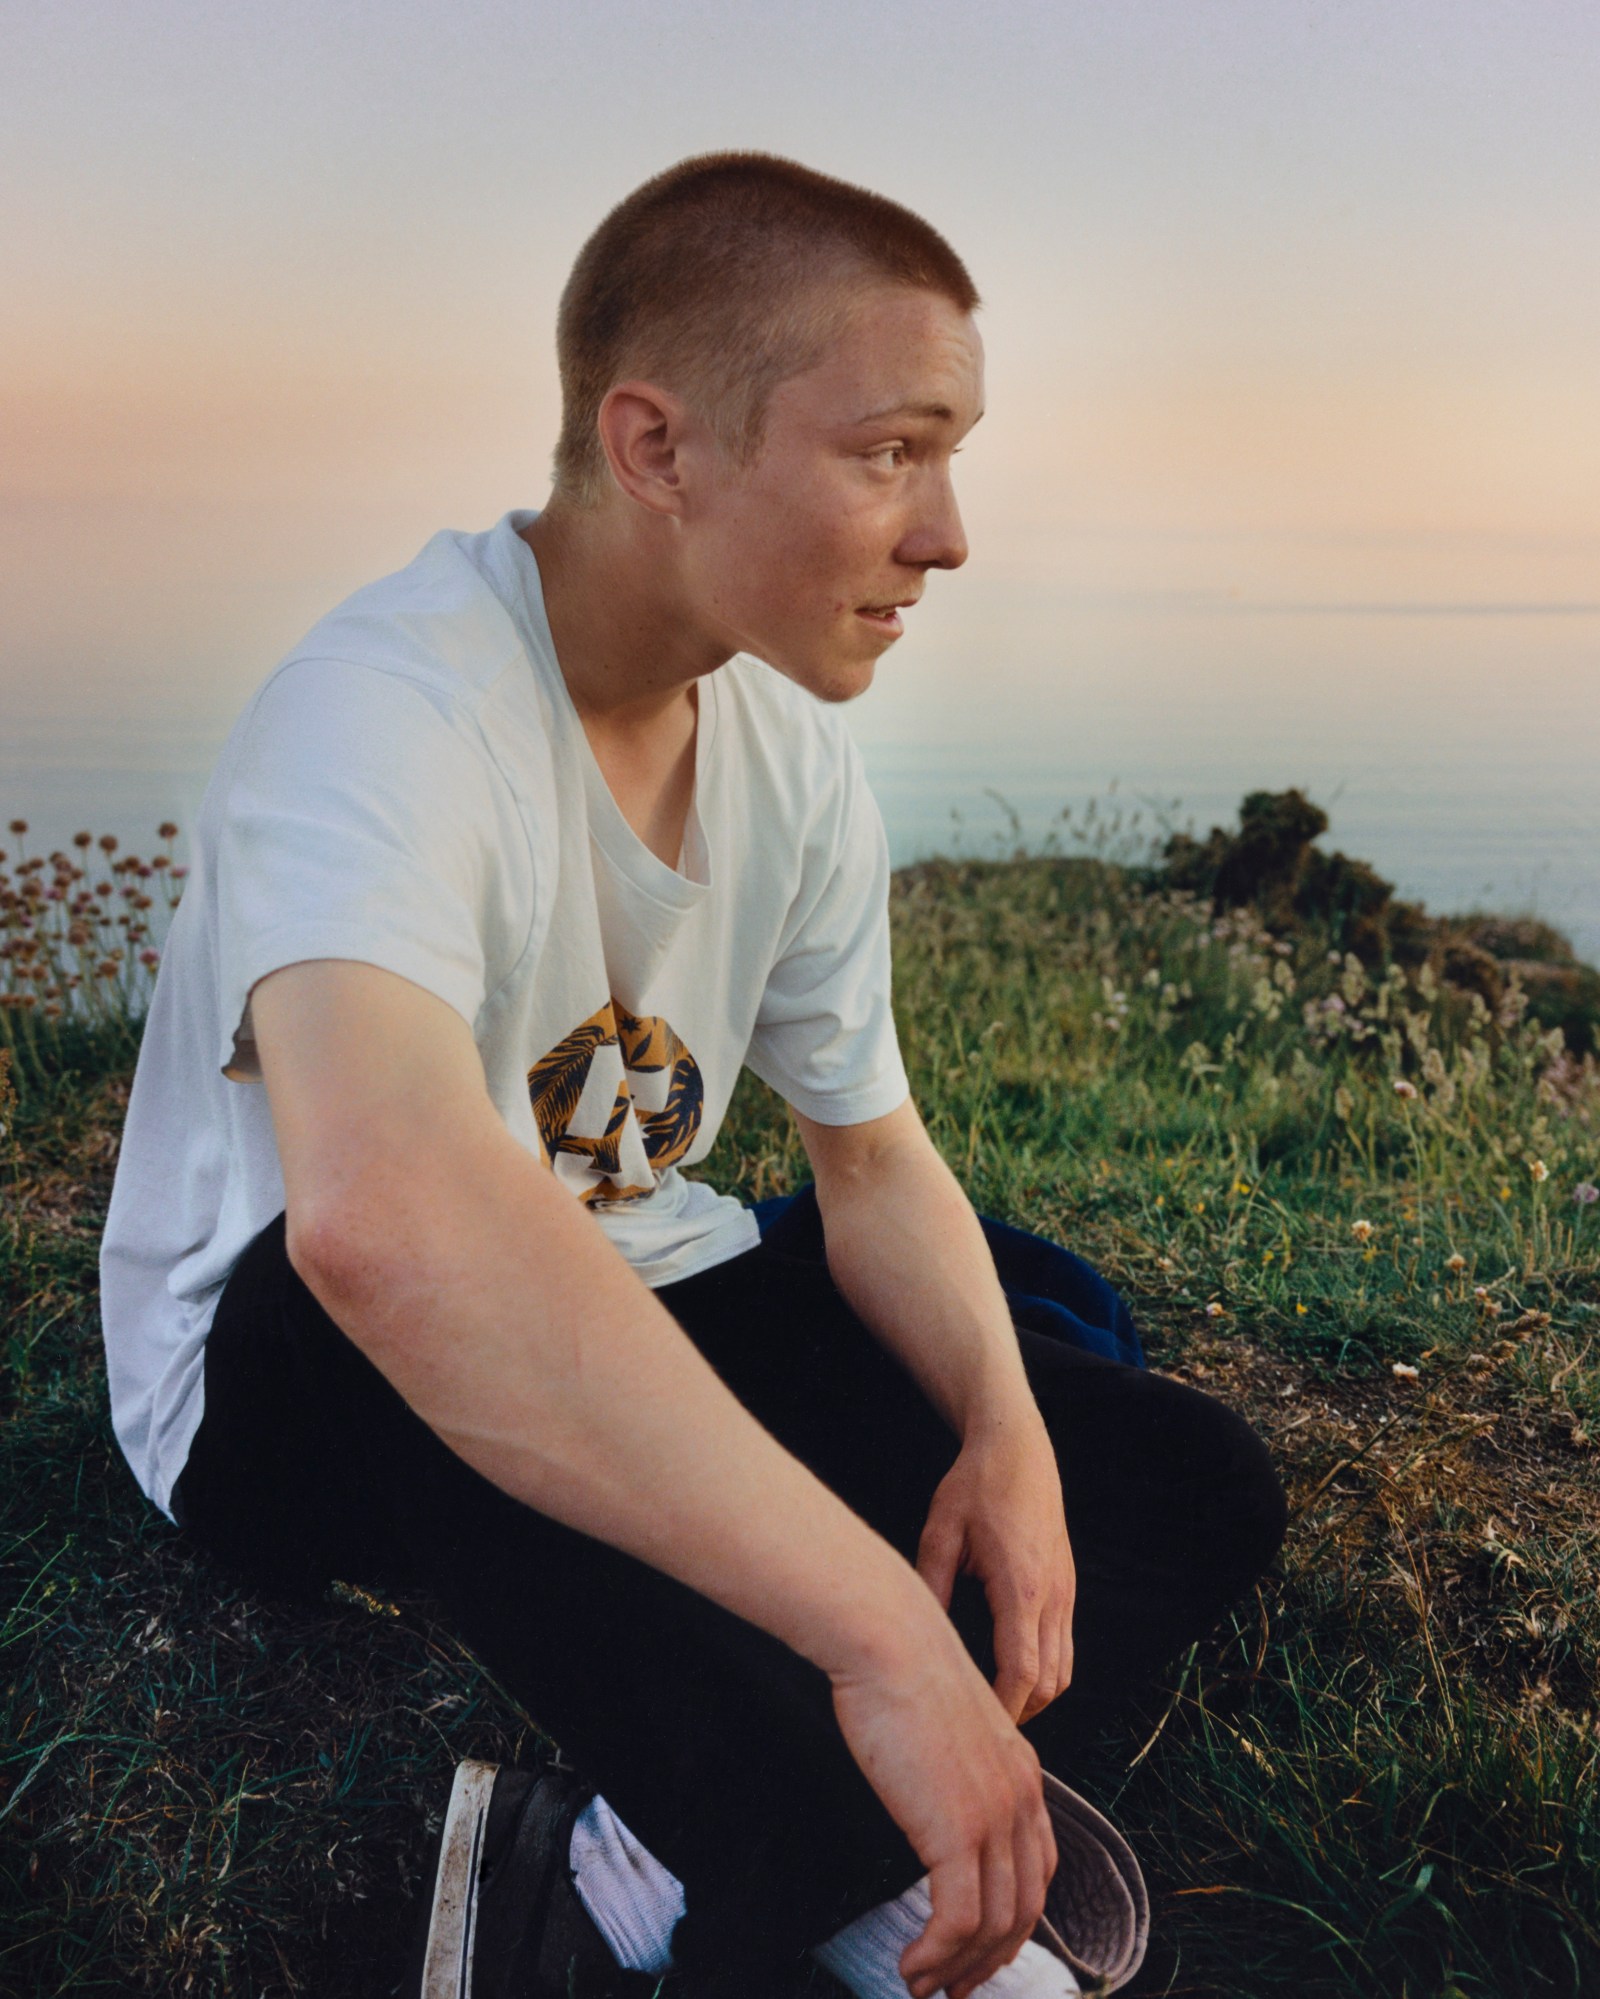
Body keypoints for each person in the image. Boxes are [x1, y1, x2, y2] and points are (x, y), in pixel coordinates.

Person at [99, 152, 1287, 1999]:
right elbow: (386, 1227)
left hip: (644, 1283)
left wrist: (1005, 1432)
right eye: (893, 452)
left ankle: (643, 1861)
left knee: (1187, 1484)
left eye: (952, 457)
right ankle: (775, 1828)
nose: (949, 531)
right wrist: (889, 1633)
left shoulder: (780, 746)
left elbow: (876, 1166)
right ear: (656, 448)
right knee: (411, 1300)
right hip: (293, 1379)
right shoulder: (385, 711)